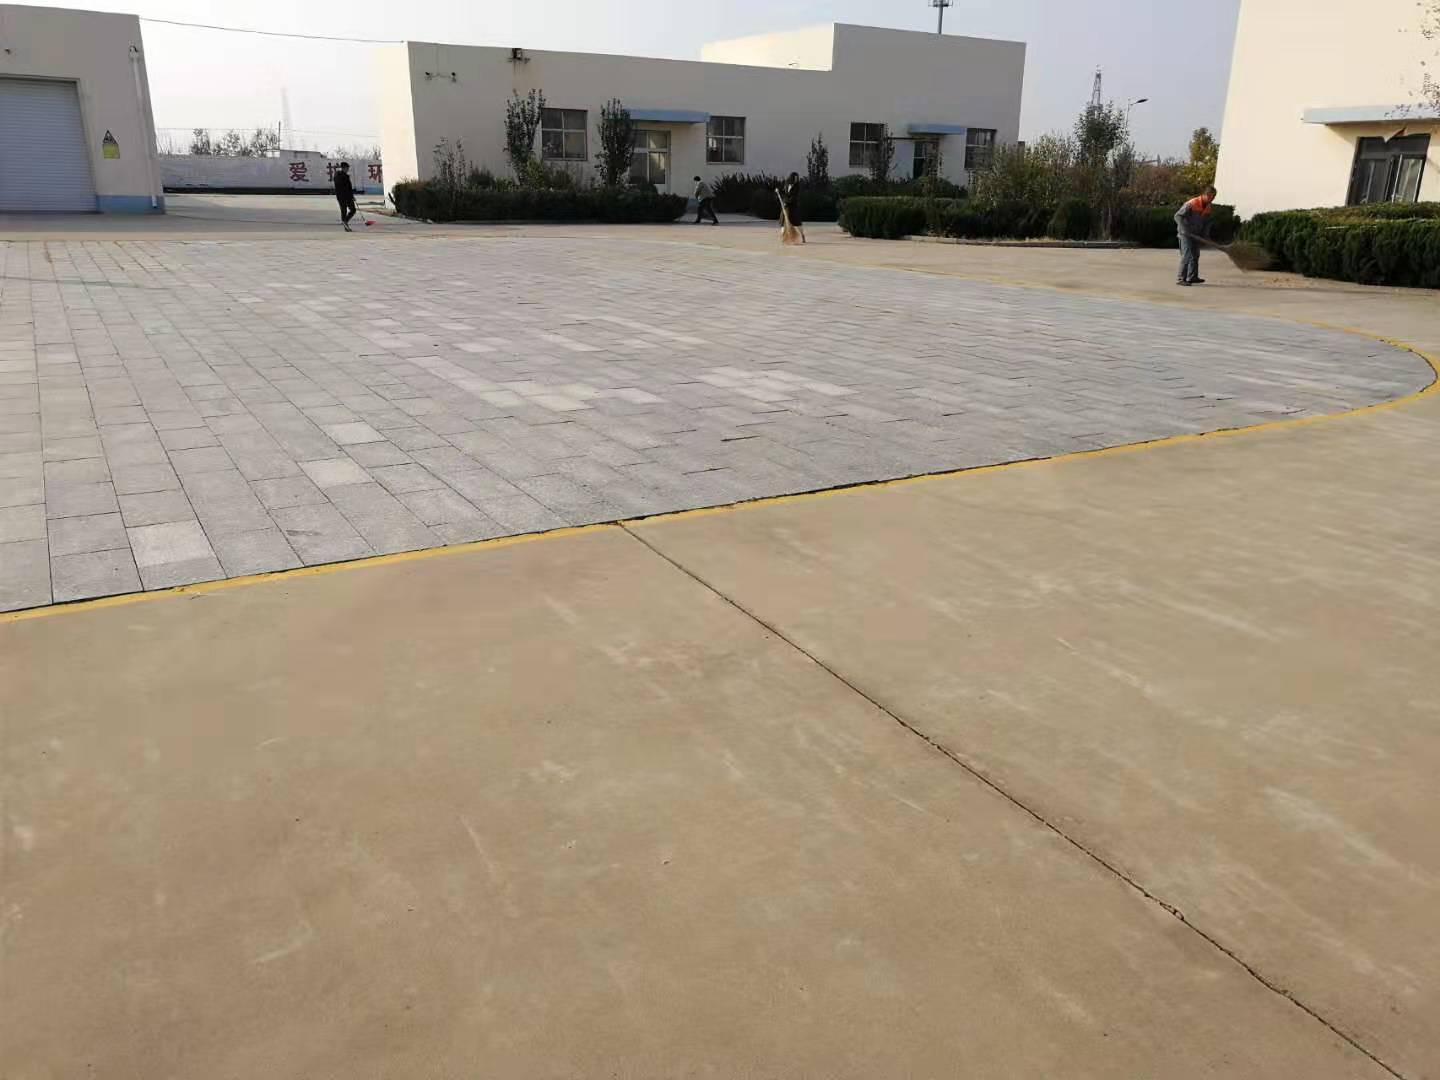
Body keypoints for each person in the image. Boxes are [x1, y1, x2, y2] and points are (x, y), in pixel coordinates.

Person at [1175, 185, 1216, 285]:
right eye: (1210, 196)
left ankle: (1192, 277)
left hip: (1196, 234)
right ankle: (1181, 279)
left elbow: (1207, 223)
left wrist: (1206, 236)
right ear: (1205, 194)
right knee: (1187, 255)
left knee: (1195, 255)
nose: (1211, 199)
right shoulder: (1192, 203)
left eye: (1213, 197)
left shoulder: (1208, 207)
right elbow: (1178, 216)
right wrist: (1185, 229)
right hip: (1185, 234)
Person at [779, 172, 806, 244]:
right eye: (795, 178)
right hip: (786, 207)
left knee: (797, 223)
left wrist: (786, 202)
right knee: (783, 222)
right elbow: (784, 192)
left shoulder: (797, 186)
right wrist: (779, 191)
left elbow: (794, 197)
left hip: (793, 207)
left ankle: (802, 235)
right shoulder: (786, 183)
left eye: (797, 178)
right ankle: (784, 237)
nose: (796, 179)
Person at [335, 162, 358, 232]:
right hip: (341, 196)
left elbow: (349, 188)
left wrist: (352, 196)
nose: (348, 169)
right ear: (343, 168)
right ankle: (345, 225)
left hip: (348, 196)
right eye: (347, 168)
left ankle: (345, 221)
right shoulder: (338, 175)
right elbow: (341, 187)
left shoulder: (346, 176)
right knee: (344, 210)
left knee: (353, 210)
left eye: (348, 168)